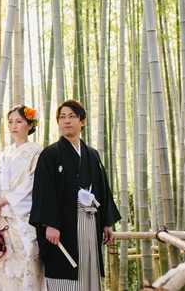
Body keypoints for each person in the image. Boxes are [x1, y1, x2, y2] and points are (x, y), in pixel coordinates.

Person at [30, 99, 121, 291]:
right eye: (62, 117)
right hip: (63, 225)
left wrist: (107, 222)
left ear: (83, 121)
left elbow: (102, 190)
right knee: (65, 270)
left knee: (89, 268)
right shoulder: (50, 154)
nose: (67, 121)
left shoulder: (92, 155)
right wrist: (51, 223)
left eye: (72, 116)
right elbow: (44, 191)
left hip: (91, 221)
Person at [0, 104, 44, 291]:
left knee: (22, 266)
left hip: (20, 217)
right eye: (10, 122)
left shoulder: (36, 152)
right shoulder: (5, 153)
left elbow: (31, 183)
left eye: (19, 121)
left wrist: (4, 200)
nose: (14, 126)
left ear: (30, 125)